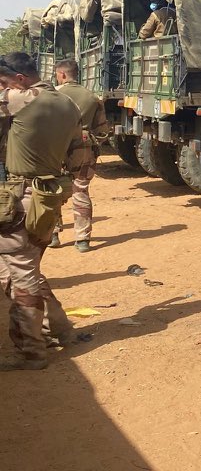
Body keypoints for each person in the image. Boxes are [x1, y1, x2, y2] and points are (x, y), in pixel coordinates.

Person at [0, 52, 81, 370]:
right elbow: (76, 153)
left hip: (20, 198)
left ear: (20, 80)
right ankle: (58, 328)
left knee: (21, 274)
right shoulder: (68, 104)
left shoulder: (20, 99)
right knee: (28, 266)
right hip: (49, 198)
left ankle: (32, 351)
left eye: (5, 82)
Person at [53, 59, 108, 252]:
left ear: (62, 75)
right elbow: (103, 132)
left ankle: (53, 235)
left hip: (55, 149)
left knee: (52, 188)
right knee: (81, 190)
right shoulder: (93, 97)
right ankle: (82, 240)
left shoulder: (52, 95)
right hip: (84, 149)